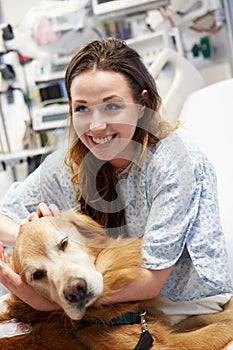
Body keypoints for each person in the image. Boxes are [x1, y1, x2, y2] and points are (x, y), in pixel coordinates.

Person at [0, 37, 232, 324]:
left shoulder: (175, 164)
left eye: (112, 107)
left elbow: (150, 281)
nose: (96, 125)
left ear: (141, 103)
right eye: (82, 108)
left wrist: (47, 303)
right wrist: (33, 233)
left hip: (186, 303)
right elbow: (3, 215)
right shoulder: (71, 163)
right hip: (114, 298)